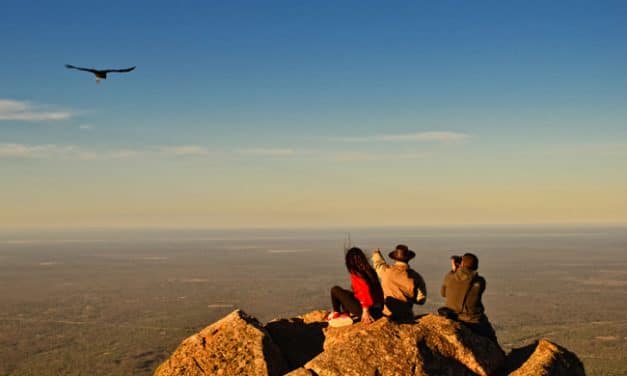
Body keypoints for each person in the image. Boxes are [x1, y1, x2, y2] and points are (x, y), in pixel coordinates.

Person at [440, 253, 498, 343]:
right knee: (491, 337)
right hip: (473, 320)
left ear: (462, 264)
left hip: (452, 316)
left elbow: (443, 294)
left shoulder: (449, 277)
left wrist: (454, 271)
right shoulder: (480, 281)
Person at [328, 247, 384, 326]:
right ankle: (345, 313)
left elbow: (365, 290)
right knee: (347, 294)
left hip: (367, 310)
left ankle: (337, 314)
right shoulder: (370, 271)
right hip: (378, 309)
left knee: (335, 290)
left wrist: (366, 311)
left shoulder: (356, 273)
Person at [372, 245, 427, 322]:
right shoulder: (416, 277)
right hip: (406, 316)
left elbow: (379, 265)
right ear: (409, 259)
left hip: (387, 315)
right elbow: (421, 300)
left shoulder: (386, 271)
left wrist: (376, 254)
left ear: (394, 258)